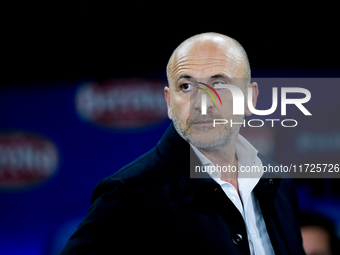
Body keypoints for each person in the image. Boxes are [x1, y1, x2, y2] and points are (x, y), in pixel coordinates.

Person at [61, 32, 305, 254]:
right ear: (169, 101)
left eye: (219, 84)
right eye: (186, 86)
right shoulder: (130, 194)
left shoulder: (278, 181)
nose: (202, 103)